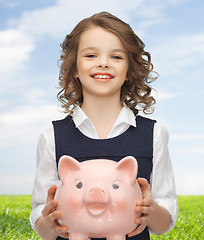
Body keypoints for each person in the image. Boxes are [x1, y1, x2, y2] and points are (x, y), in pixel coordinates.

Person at [30, 12, 178, 240]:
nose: (103, 63)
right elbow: (42, 220)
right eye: (91, 55)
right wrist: (48, 223)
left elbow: (164, 223)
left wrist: (152, 212)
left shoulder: (154, 134)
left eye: (116, 57)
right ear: (75, 68)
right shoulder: (52, 137)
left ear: (129, 71)